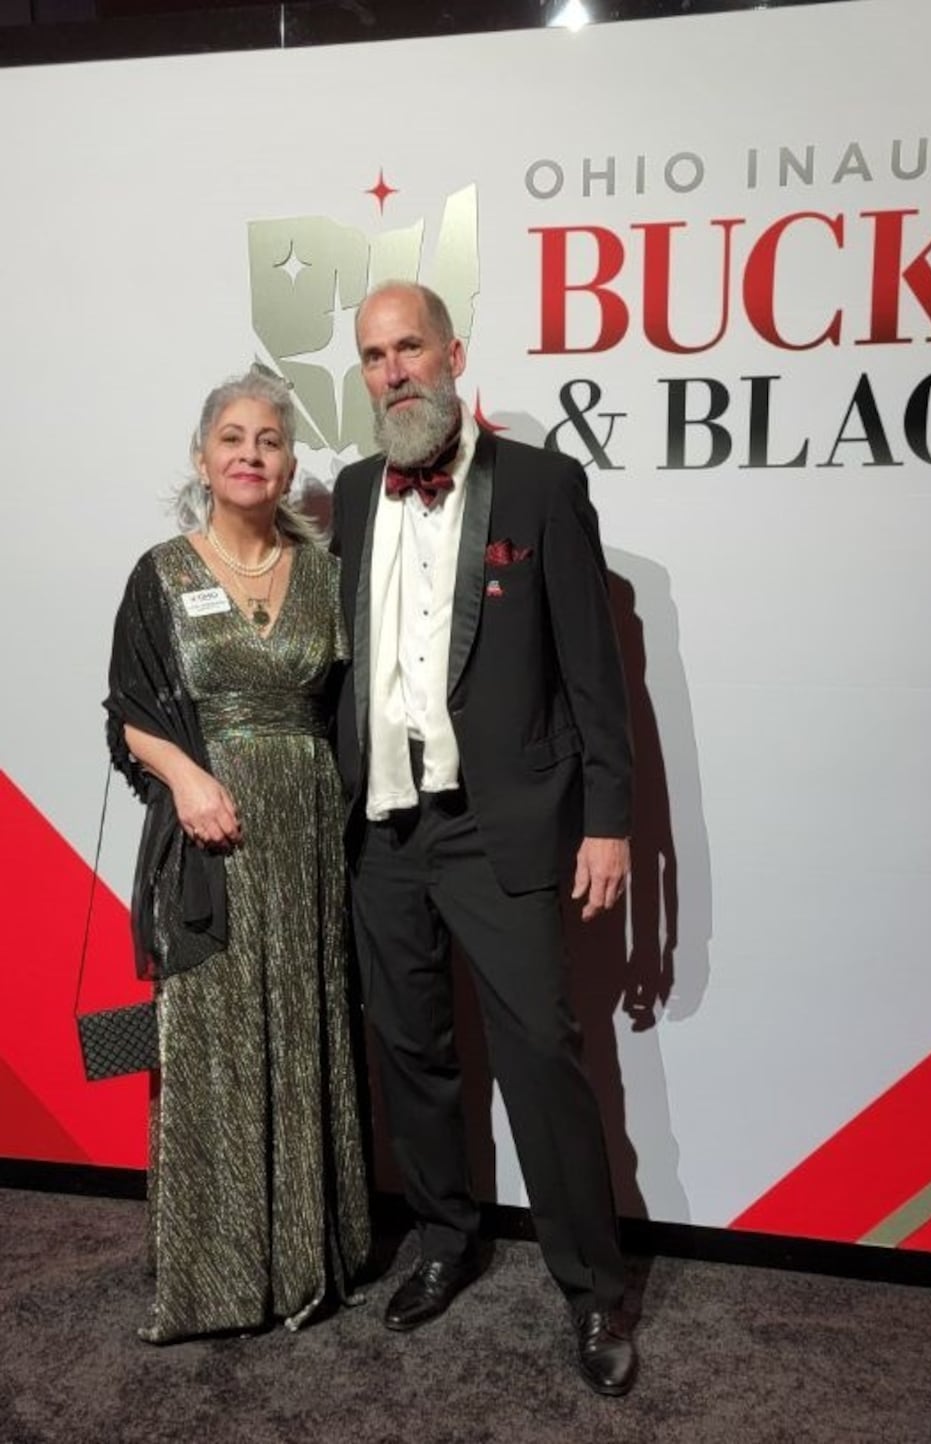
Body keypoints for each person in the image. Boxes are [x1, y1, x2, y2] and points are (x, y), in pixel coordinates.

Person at [331, 282, 637, 1395]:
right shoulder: (356, 494)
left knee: (541, 1056)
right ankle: (445, 1235)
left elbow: (594, 678)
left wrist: (608, 820)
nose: (394, 369)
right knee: (409, 1048)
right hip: (382, 830)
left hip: (498, 823)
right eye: (373, 356)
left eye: (410, 346)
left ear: (453, 354)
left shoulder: (545, 486)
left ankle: (593, 1288)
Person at [104, 370, 370, 1343]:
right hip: (210, 837)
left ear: (291, 465)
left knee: (303, 1026)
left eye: (267, 439)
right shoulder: (164, 573)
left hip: (305, 841)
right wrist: (186, 778)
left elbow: (351, 713)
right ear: (202, 457)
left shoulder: (327, 577)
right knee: (213, 1042)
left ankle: (305, 1259)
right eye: (231, 437)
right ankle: (216, 1279)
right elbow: (128, 712)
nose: (249, 453)